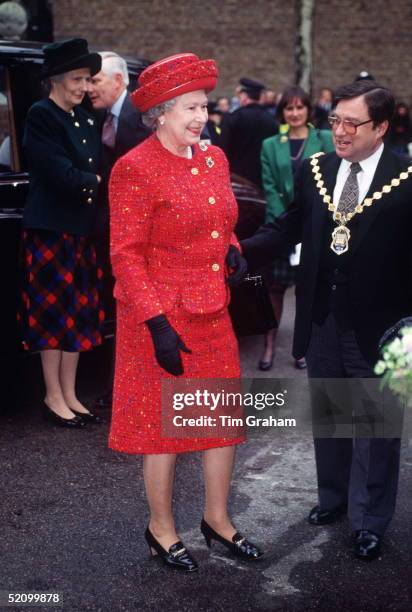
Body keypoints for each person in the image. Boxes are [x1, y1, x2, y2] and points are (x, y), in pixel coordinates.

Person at [108, 52, 263, 572]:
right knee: (164, 427)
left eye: (203, 107)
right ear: (161, 114)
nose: (201, 118)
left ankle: (217, 520)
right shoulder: (133, 169)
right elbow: (125, 255)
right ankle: (161, 528)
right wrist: (156, 326)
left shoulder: (213, 159)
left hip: (211, 307)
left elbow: (221, 217)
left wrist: (233, 249)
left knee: (220, 418)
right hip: (159, 317)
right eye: (189, 109)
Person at [242, 79, 406, 561]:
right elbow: (289, 224)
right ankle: (333, 500)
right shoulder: (316, 168)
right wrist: (241, 250)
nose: (339, 131)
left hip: (382, 325)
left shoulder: (407, 175)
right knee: (333, 414)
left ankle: (370, 519)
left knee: (375, 426)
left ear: (381, 126)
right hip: (323, 318)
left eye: (351, 123)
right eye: (334, 120)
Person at [19, 38, 104, 427]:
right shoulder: (41, 115)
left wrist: (88, 180)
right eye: (78, 79)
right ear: (55, 79)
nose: (85, 87)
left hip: (79, 231)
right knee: (53, 317)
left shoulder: (85, 119)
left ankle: (70, 394)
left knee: (79, 315)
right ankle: (52, 396)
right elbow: (60, 174)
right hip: (51, 230)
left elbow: (79, 176)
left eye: (88, 79)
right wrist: (93, 179)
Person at [87, 51, 151, 408]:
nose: (89, 88)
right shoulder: (98, 119)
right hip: (112, 230)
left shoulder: (141, 119)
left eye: (96, 81)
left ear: (119, 80)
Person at [258, 86, 334, 371]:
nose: (295, 113)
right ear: (282, 113)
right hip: (282, 227)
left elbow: (332, 182)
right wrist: (286, 228)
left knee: (307, 292)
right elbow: (270, 188)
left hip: (315, 228)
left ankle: (301, 348)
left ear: (308, 110)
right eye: (289, 108)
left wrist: (310, 223)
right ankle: (268, 347)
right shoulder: (270, 144)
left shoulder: (324, 139)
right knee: (274, 291)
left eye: (299, 107)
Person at [220, 77, 277, 188]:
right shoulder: (271, 120)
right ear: (260, 96)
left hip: (237, 181)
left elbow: (222, 151)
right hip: (264, 182)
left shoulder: (232, 118)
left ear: (244, 96)